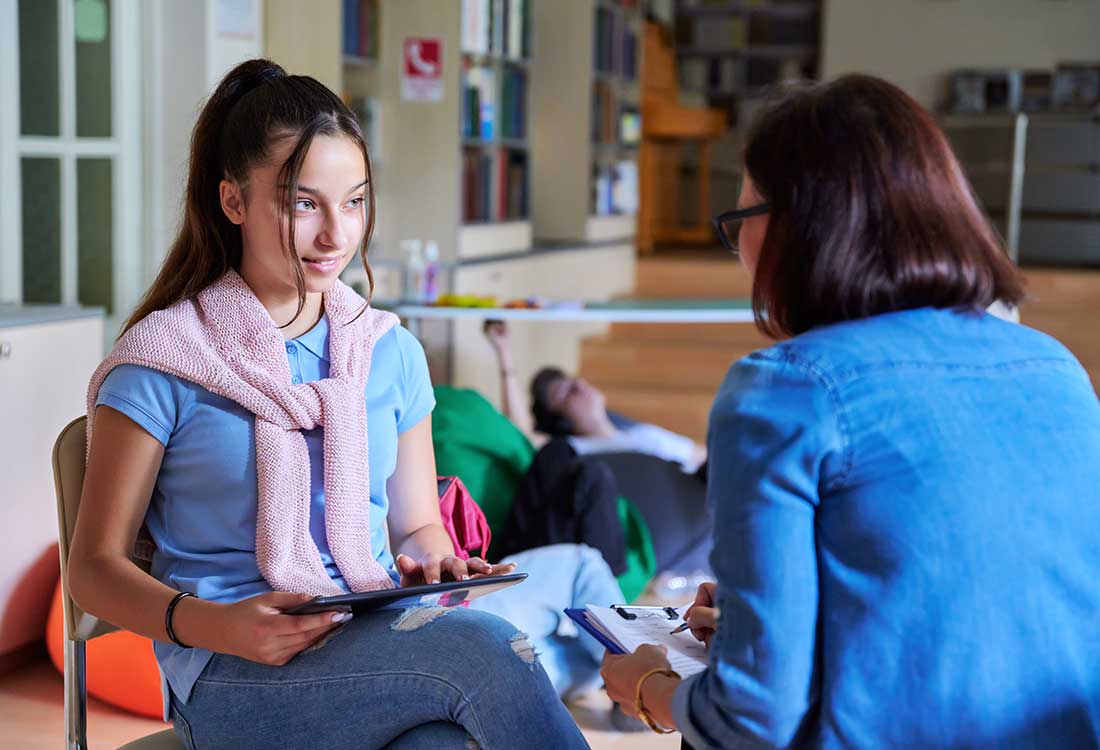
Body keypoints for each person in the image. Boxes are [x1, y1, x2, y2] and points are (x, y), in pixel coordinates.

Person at [66, 59, 592, 750]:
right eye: (302, 202)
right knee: (494, 656)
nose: (336, 235)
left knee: (443, 741)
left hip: (372, 641)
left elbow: (417, 529)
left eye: (355, 202)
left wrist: (441, 562)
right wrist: (218, 625)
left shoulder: (388, 351)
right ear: (233, 202)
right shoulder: (163, 358)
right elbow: (92, 570)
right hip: (231, 673)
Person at [599, 74, 1100, 749]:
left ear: (795, 231)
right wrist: (759, 620)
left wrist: (648, 688)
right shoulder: (1056, 368)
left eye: (739, 222)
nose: (740, 253)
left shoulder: (785, 392)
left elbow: (753, 719)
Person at [484, 320, 707, 473]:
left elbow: (704, 457)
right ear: (562, 419)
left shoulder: (646, 434)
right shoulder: (575, 449)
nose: (581, 385)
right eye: (569, 391)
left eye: (576, 381)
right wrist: (504, 351)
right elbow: (521, 436)